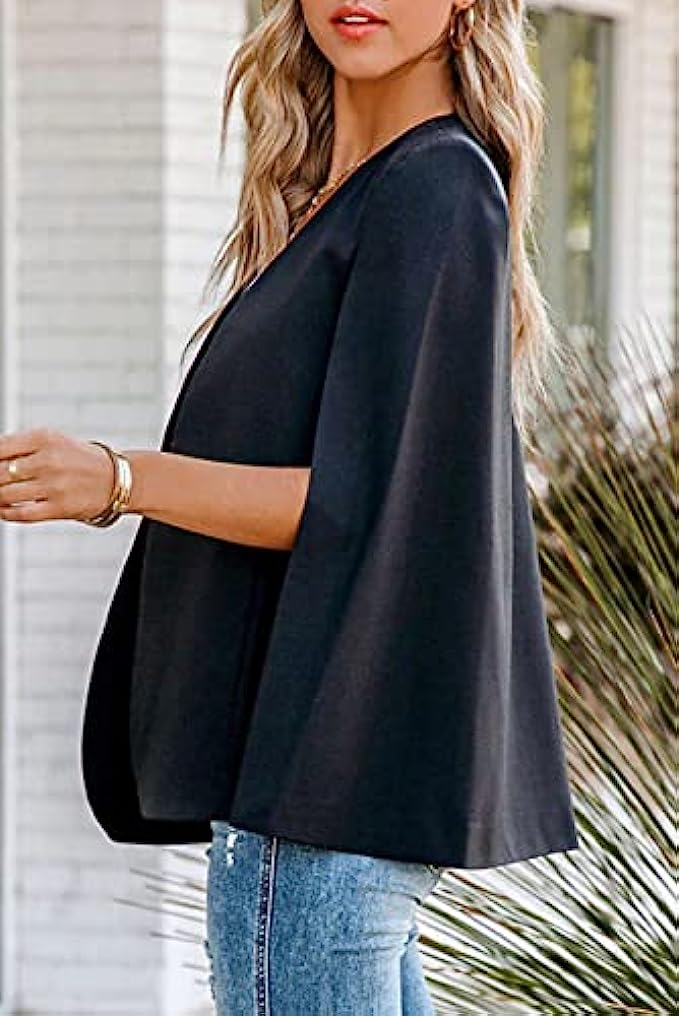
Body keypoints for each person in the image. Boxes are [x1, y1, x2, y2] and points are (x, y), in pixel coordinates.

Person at [0, 0, 580, 1012]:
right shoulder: (342, 198)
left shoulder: (434, 189)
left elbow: (363, 502)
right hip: (316, 794)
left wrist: (119, 479)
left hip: (319, 795)